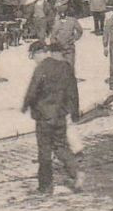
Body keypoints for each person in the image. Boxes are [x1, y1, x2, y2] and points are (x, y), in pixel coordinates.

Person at [21, 40, 80, 194]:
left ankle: (45, 186)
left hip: (44, 117)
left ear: (39, 53)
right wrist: (74, 112)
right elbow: (73, 90)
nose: (34, 59)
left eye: (33, 56)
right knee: (61, 146)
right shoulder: (64, 66)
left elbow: (32, 91)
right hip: (60, 115)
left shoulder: (41, 68)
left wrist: (25, 105)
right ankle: (76, 173)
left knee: (44, 151)